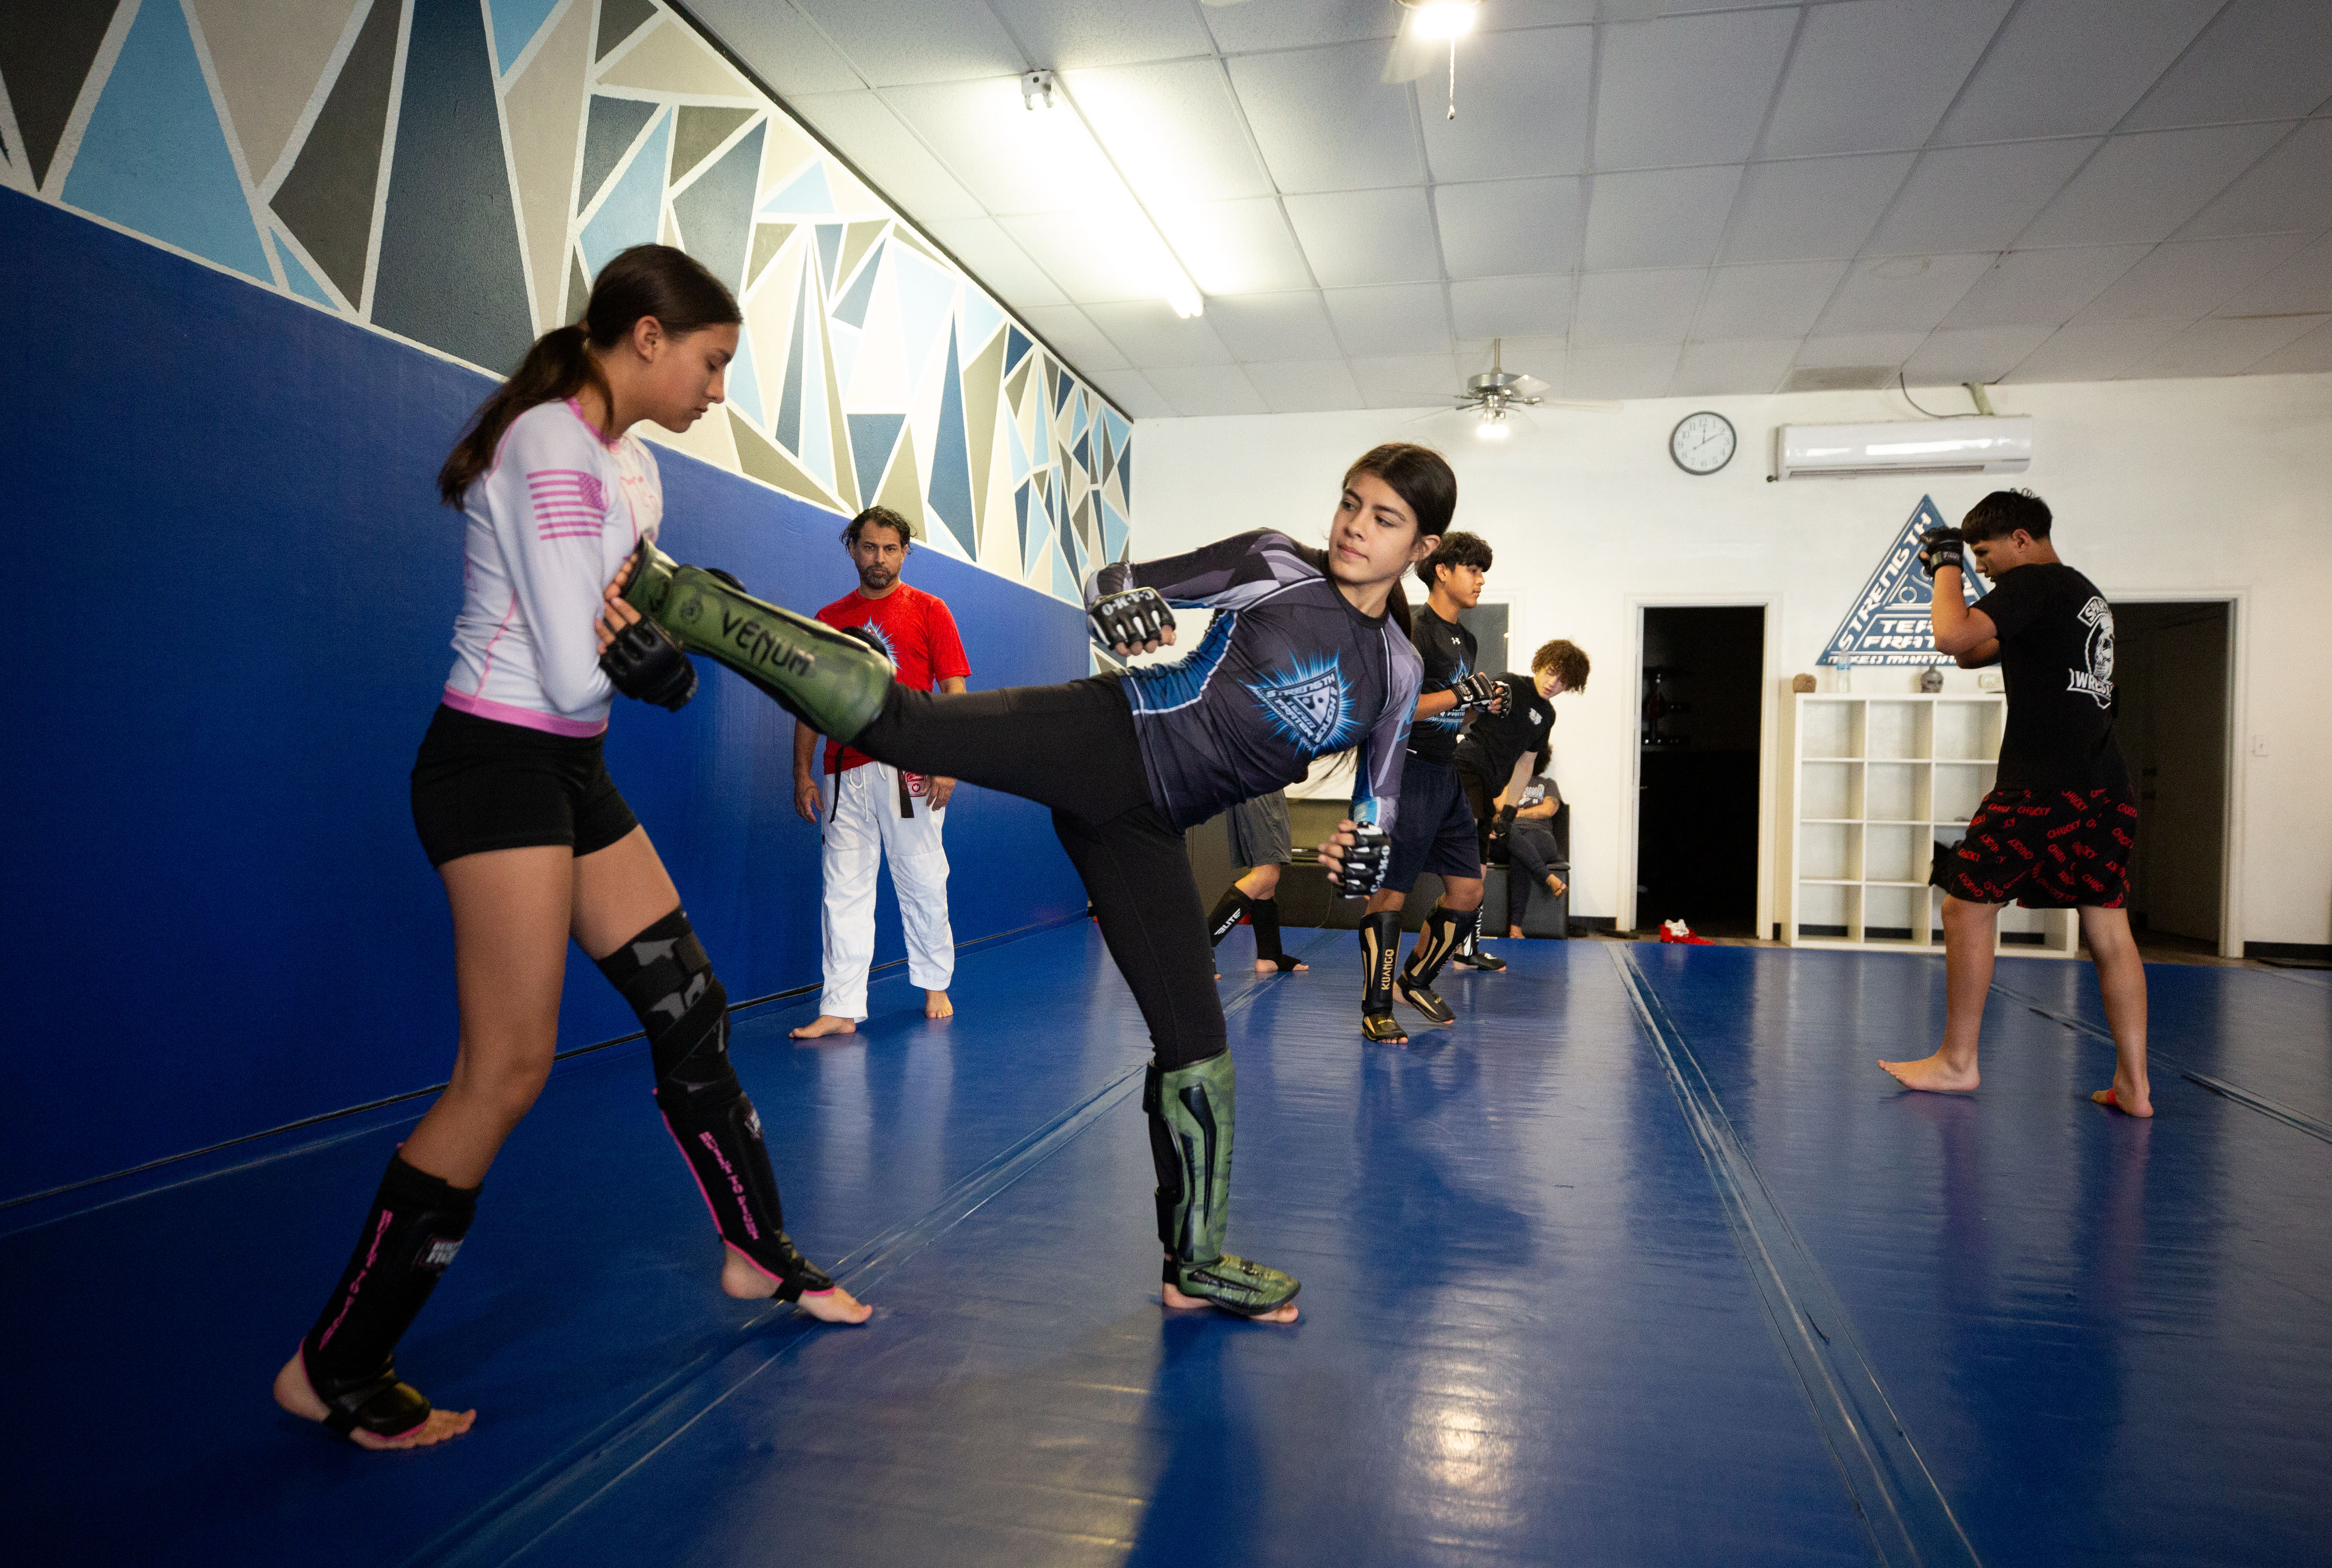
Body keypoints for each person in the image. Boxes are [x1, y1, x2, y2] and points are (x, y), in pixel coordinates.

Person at [600, 444, 1455, 1321]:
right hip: (1103, 736)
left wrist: (1367, 849)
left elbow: (1378, 807)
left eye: (1384, 518)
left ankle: (1192, 1264)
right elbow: (1117, 577)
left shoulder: (1398, 671)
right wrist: (1120, 598)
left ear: (1422, 548)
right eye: (1351, 501)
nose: (1354, 525)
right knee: (904, 721)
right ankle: (683, 598)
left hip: (1148, 831)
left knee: (1196, 1046)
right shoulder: (1275, 563)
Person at [273, 247, 868, 1451]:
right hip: (494, 765)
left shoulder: (633, 466)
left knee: (687, 1002)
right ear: (644, 337)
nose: (716, 390)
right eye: (710, 364)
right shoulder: (546, 443)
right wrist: (647, 652)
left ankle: (757, 1251)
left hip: (566, 767)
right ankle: (332, 1363)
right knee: (506, 1070)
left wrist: (679, 612)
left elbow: (617, 606)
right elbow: (562, 661)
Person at [1880, 489, 2151, 1116]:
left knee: (1964, 907)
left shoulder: (2032, 582)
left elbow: (1950, 635)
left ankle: (1956, 1062)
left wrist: (1945, 561)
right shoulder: (2082, 596)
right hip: (2104, 786)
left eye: (1984, 553)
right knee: (2108, 925)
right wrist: (1945, 576)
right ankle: (2134, 1085)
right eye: (1971, 557)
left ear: (2021, 539)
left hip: (2043, 788)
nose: (1982, 567)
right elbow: (1975, 648)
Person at [788, 506, 971, 1039]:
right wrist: (802, 772)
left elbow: (953, 692)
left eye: (891, 549)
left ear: (905, 553)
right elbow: (808, 703)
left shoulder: (930, 610)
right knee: (842, 888)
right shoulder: (827, 617)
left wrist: (946, 760)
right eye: (870, 547)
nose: (880, 559)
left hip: (909, 768)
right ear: (852, 549)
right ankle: (841, 1006)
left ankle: (935, 981)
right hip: (843, 771)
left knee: (922, 877)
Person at [1354, 531, 1506, 1043]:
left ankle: (1415, 979)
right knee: (1391, 892)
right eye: (1474, 569)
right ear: (1442, 570)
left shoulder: (1467, 638)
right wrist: (1457, 693)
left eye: (1484, 571)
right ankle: (1376, 1008)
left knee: (1468, 890)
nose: (1482, 579)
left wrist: (1481, 703)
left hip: (1447, 775)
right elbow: (1393, 709)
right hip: (1407, 771)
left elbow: (1453, 706)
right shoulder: (1412, 633)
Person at [1449, 638, 1589, 967]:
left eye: (1563, 681)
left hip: (1491, 785)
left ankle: (1466, 951)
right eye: (1552, 673)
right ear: (1540, 665)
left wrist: (1510, 812)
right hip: (1467, 766)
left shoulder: (1547, 715)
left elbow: (1526, 765)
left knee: (1479, 870)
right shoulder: (1511, 684)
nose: (1554, 684)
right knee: (1469, 855)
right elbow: (1473, 713)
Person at [1206, 790, 1310, 977]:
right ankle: (1196, 952)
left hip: (1263, 784)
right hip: (1261, 784)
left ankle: (1269, 956)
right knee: (1265, 876)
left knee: (1269, 874)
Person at [1492, 749, 1567, 938]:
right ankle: (1548, 878)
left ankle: (1515, 928)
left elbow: (1549, 809)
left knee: (1520, 848)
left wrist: (1513, 815)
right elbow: (1497, 809)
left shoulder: (1547, 784)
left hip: (1540, 836)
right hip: (1508, 835)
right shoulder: (1506, 783)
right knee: (1513, 838)